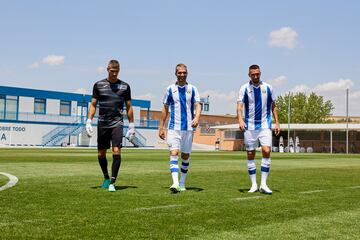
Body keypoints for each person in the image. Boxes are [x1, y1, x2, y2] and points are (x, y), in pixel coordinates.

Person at [86, 59, 135, 192]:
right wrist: (89, 121)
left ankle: (113, 182)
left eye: (116, 72)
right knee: (101, 153)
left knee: (116, 151)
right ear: (107, 70)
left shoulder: (125, 86)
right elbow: (93, 105)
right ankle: (106, 177)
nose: (114, 74)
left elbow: (129, 106)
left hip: (117, 123)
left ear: (119, 71)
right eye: (112, 71)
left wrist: (132, 125)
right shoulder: (98, 85)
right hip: (102, 123)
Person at [237, 64, 280, 194]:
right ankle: (254, 185)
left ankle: (264, 184)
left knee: (266, 150)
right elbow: (239, 106)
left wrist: (277, 123)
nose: (255, 76)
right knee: (250, 154)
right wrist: (240, 119)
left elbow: (273, 106)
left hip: (265, 125)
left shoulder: (268, 87)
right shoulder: (244, 88)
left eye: (258, 74)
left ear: (260, 73)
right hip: (249, 126)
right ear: (249, 75)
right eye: (253, 74)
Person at [158, 63, 201, 193]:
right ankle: (175, 183)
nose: (182, 75)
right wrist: (161, 127)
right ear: (175, 74)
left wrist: (197, 117)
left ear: (187, 74)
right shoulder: (170, 89)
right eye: (179, 72)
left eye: (184, 73)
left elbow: (198, 105)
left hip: (188, 128)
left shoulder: (193, 89)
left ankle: (182, 182)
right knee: (174, 153)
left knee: (185, 156)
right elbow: (165, 108)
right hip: (173, 127)